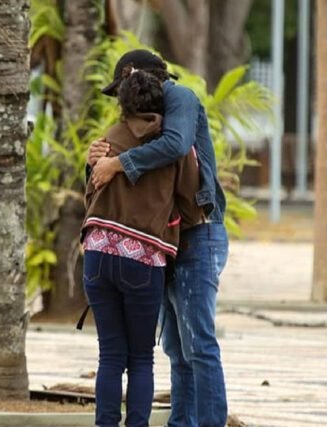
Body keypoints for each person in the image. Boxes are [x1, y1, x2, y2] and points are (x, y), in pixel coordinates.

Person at [89, 49, 230, 427]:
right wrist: (97, 156)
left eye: (121, 89)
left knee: (198, 343)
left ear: (135, 75)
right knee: (175, 348)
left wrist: (117, 162)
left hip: (199, 233)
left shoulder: (178, 98)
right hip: (165, 240)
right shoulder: (145, 121)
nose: (122, 100)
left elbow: (176, 145)